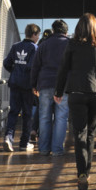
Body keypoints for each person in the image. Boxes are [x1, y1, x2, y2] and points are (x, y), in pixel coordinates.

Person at [55, 14, 96, 190]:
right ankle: (86, 171)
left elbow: (63, 69)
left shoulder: (72, 44)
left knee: (79, 133)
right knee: (91, 134)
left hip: (77, 93)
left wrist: (58, 91)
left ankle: (81, 173)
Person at [31, 19, 71, 157]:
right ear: (66, 32)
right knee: (61, 118)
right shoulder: (69, 44)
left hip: (45, 84)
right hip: (64, 86)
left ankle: (43, 149)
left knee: (44, 117)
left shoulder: (44, 44)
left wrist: (33, 84)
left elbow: (35, 66)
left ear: (53, 31)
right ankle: (57, 150)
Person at [2, 23, 40, 152]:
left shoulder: (15, 46)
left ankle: (8, 137)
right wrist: (35, 85)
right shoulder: (35, 48)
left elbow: (6, 63)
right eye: (38, 35)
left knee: (13, 111)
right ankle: (24, 143)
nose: (38, 38)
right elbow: (32, 68)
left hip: (15, 83)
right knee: (27, 114)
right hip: (27, 85)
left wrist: (15, 71)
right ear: (34, 34)